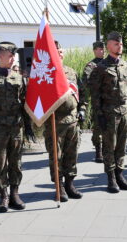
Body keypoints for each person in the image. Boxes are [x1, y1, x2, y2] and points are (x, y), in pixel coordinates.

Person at [0, 42, 35, 213]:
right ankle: (3, 195)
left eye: (13, 56)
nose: (12, 59)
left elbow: (24, 103)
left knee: (16, 163)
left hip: (16, 128)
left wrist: (28, 126)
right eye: (9, 56)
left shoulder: (19, 78)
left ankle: (15, 193)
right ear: (0, 56)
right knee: (0, 164)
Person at [90, 32, 127, 193]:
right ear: (109, 46)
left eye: (121, 44)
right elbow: (94, 94)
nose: (120, 46)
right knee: (109, 146)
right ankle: (111, 178)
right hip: (109, 113)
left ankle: (120, 174)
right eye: (116, 44)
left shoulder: (126, 65)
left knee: (122, 146)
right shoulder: (101, 68)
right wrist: (99, 115)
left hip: (124, 111)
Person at [43, 41, 84, 202]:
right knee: (56, 156)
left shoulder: (71, 72)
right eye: (56, 51)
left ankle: (70, 184)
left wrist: (82, 109)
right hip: (55, 122)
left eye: (61, 51)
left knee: (72, 154)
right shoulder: (46, 73)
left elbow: (81, 92)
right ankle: (58, 186)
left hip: (72, 120)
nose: (60, 53)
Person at [81, 41, 105, 163]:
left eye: (103, 49)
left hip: (110, 100)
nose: (102, 51)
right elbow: (85, 82)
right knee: (98, 127)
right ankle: (98, 151)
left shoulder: (109, 63)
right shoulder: (90, 66)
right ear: (95, 50)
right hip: (98, 101)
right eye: (100, 49)